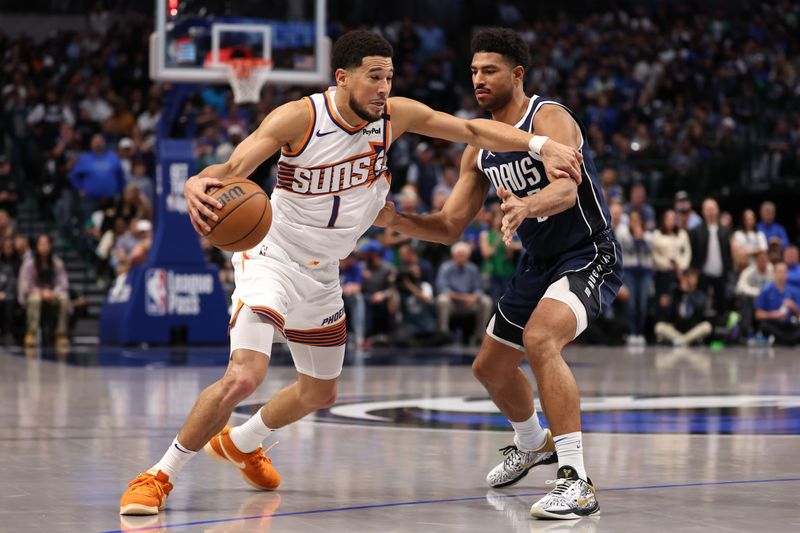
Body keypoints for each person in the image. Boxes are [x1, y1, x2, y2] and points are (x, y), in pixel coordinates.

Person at [120, 29, 583, 516]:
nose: (383, 88)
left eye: (389, 77)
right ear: (343, 78)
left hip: (323, 275)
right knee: (244, 375)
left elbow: (469, 131)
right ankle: (158, 475)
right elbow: (234, 165)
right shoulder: (299, 117)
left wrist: (539, 145)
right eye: (373, 78)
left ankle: (243, 442)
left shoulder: (394, 117)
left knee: (320, 390)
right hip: (273, 257)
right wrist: (199, 178)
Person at [375, 28, 619, 519]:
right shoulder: (480, 148)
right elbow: (448, 227)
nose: (479, 80)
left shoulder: (550, 118)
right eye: (473, 72)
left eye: (489, 70)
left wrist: (526, 206)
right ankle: (531, 443)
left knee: (540, 339)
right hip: (537, 264)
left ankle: (576, 481)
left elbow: (567, 193)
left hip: (587, 252)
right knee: (488, 367)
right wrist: (394, 219)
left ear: (517, 73)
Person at [17, 234, 70, 348]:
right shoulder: (29, 264)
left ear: (50, 246)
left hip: (52, 294)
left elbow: (63, 283)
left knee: (64, 298)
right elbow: (25, 286)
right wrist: (41, 292)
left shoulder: (57, 263)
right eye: (41, 244)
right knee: (34, 300)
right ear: (36, 247)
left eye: (46, 244)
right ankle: (32, 333)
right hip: (33, 295)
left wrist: (53, 292)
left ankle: (61, 334)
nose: (44, 247)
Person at [689, 198, 733, 317]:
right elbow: (692, 253)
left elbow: (729, 254)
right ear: (703, 211)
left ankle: (722, 331)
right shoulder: (696, 231)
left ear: (718, 210)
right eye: (707, 209)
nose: (710, 212)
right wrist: (693, 272)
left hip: (721, 273)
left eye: (713, 208)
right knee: (701, 305)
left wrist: (728, 270)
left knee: (722, 305)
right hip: (703, 273)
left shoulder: (725, 231)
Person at [754, 262, 800, 346]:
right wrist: (772, 314)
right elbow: (758, 314)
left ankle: (782, 340)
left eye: (784, 272)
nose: (782, 275)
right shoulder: (766, 290)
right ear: (774, 273)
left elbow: (798, 315)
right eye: (779, 272)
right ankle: (789, 340)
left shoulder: (793, 291)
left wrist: (794, 307)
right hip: (773, 322)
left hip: (788, 323)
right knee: (765, 326)